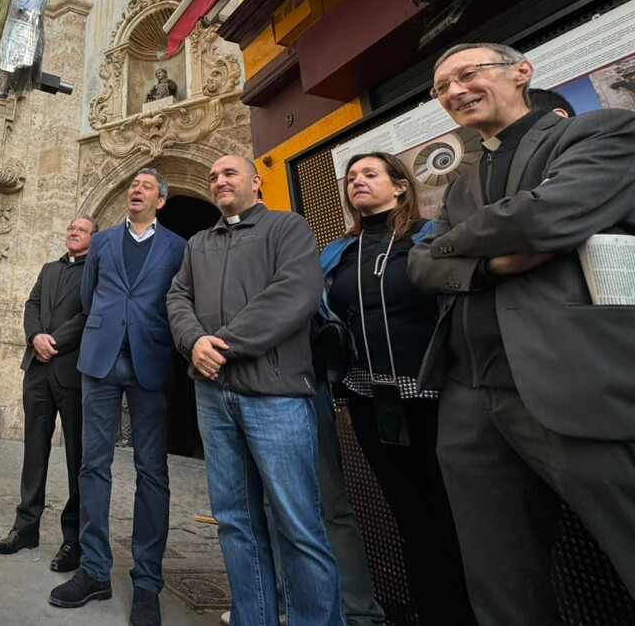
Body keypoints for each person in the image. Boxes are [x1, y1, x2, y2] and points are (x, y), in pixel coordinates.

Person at [408, 42, 635, 625]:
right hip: (468, 392)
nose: (454, 91)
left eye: (468, 74)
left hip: (570, 382)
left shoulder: (598, 132)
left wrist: (451, 249)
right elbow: (419, 266)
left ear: (521, 72)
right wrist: (490, 263)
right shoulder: (461, 186)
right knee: (500, 583)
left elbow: (543, 216)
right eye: (441, 87)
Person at [167, 155, 343, 626]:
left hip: (276, 395)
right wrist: (192, 341)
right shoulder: (198, 243)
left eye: (229, 174)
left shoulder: (288, 228)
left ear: (255, 182)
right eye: (212, 178)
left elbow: (294, 293)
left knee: (297, 523)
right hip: (213, 395)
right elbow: (177, 297)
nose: (219, 182)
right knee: (235, 521)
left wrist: (220, 345)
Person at [321, 152, 474, 625]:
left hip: (436, 399)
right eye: (351, 178)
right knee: (409, 517)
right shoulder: (337, 253)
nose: (357, 183)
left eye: (369, 174)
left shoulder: (428, 238)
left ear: (401, 185)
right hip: (372, 402)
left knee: (457, 518)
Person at [49, 168, 186, 626]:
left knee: (152, 472)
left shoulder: (178, 247)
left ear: (161, 201)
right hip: (100, 360)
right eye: (134, 185)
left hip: (149, 361)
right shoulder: (103, 241)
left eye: (147, 186)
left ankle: (147, 583)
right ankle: (94, 570)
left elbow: (177, 300)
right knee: (94, 464)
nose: (137, 190)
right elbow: (91, 297)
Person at [0, 216, 96, 572]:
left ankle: (73, 539)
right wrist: (35, 336)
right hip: (37, 371)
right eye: (71, 227)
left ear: (92, 239)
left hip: (71, 372)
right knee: (33, 451)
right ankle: (26, 528)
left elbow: (88, 315)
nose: (73, 232)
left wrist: (54, 342)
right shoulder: (49, 269)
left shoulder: (94, 272)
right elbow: (31, 305)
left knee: (76, 458)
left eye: (82, 229)